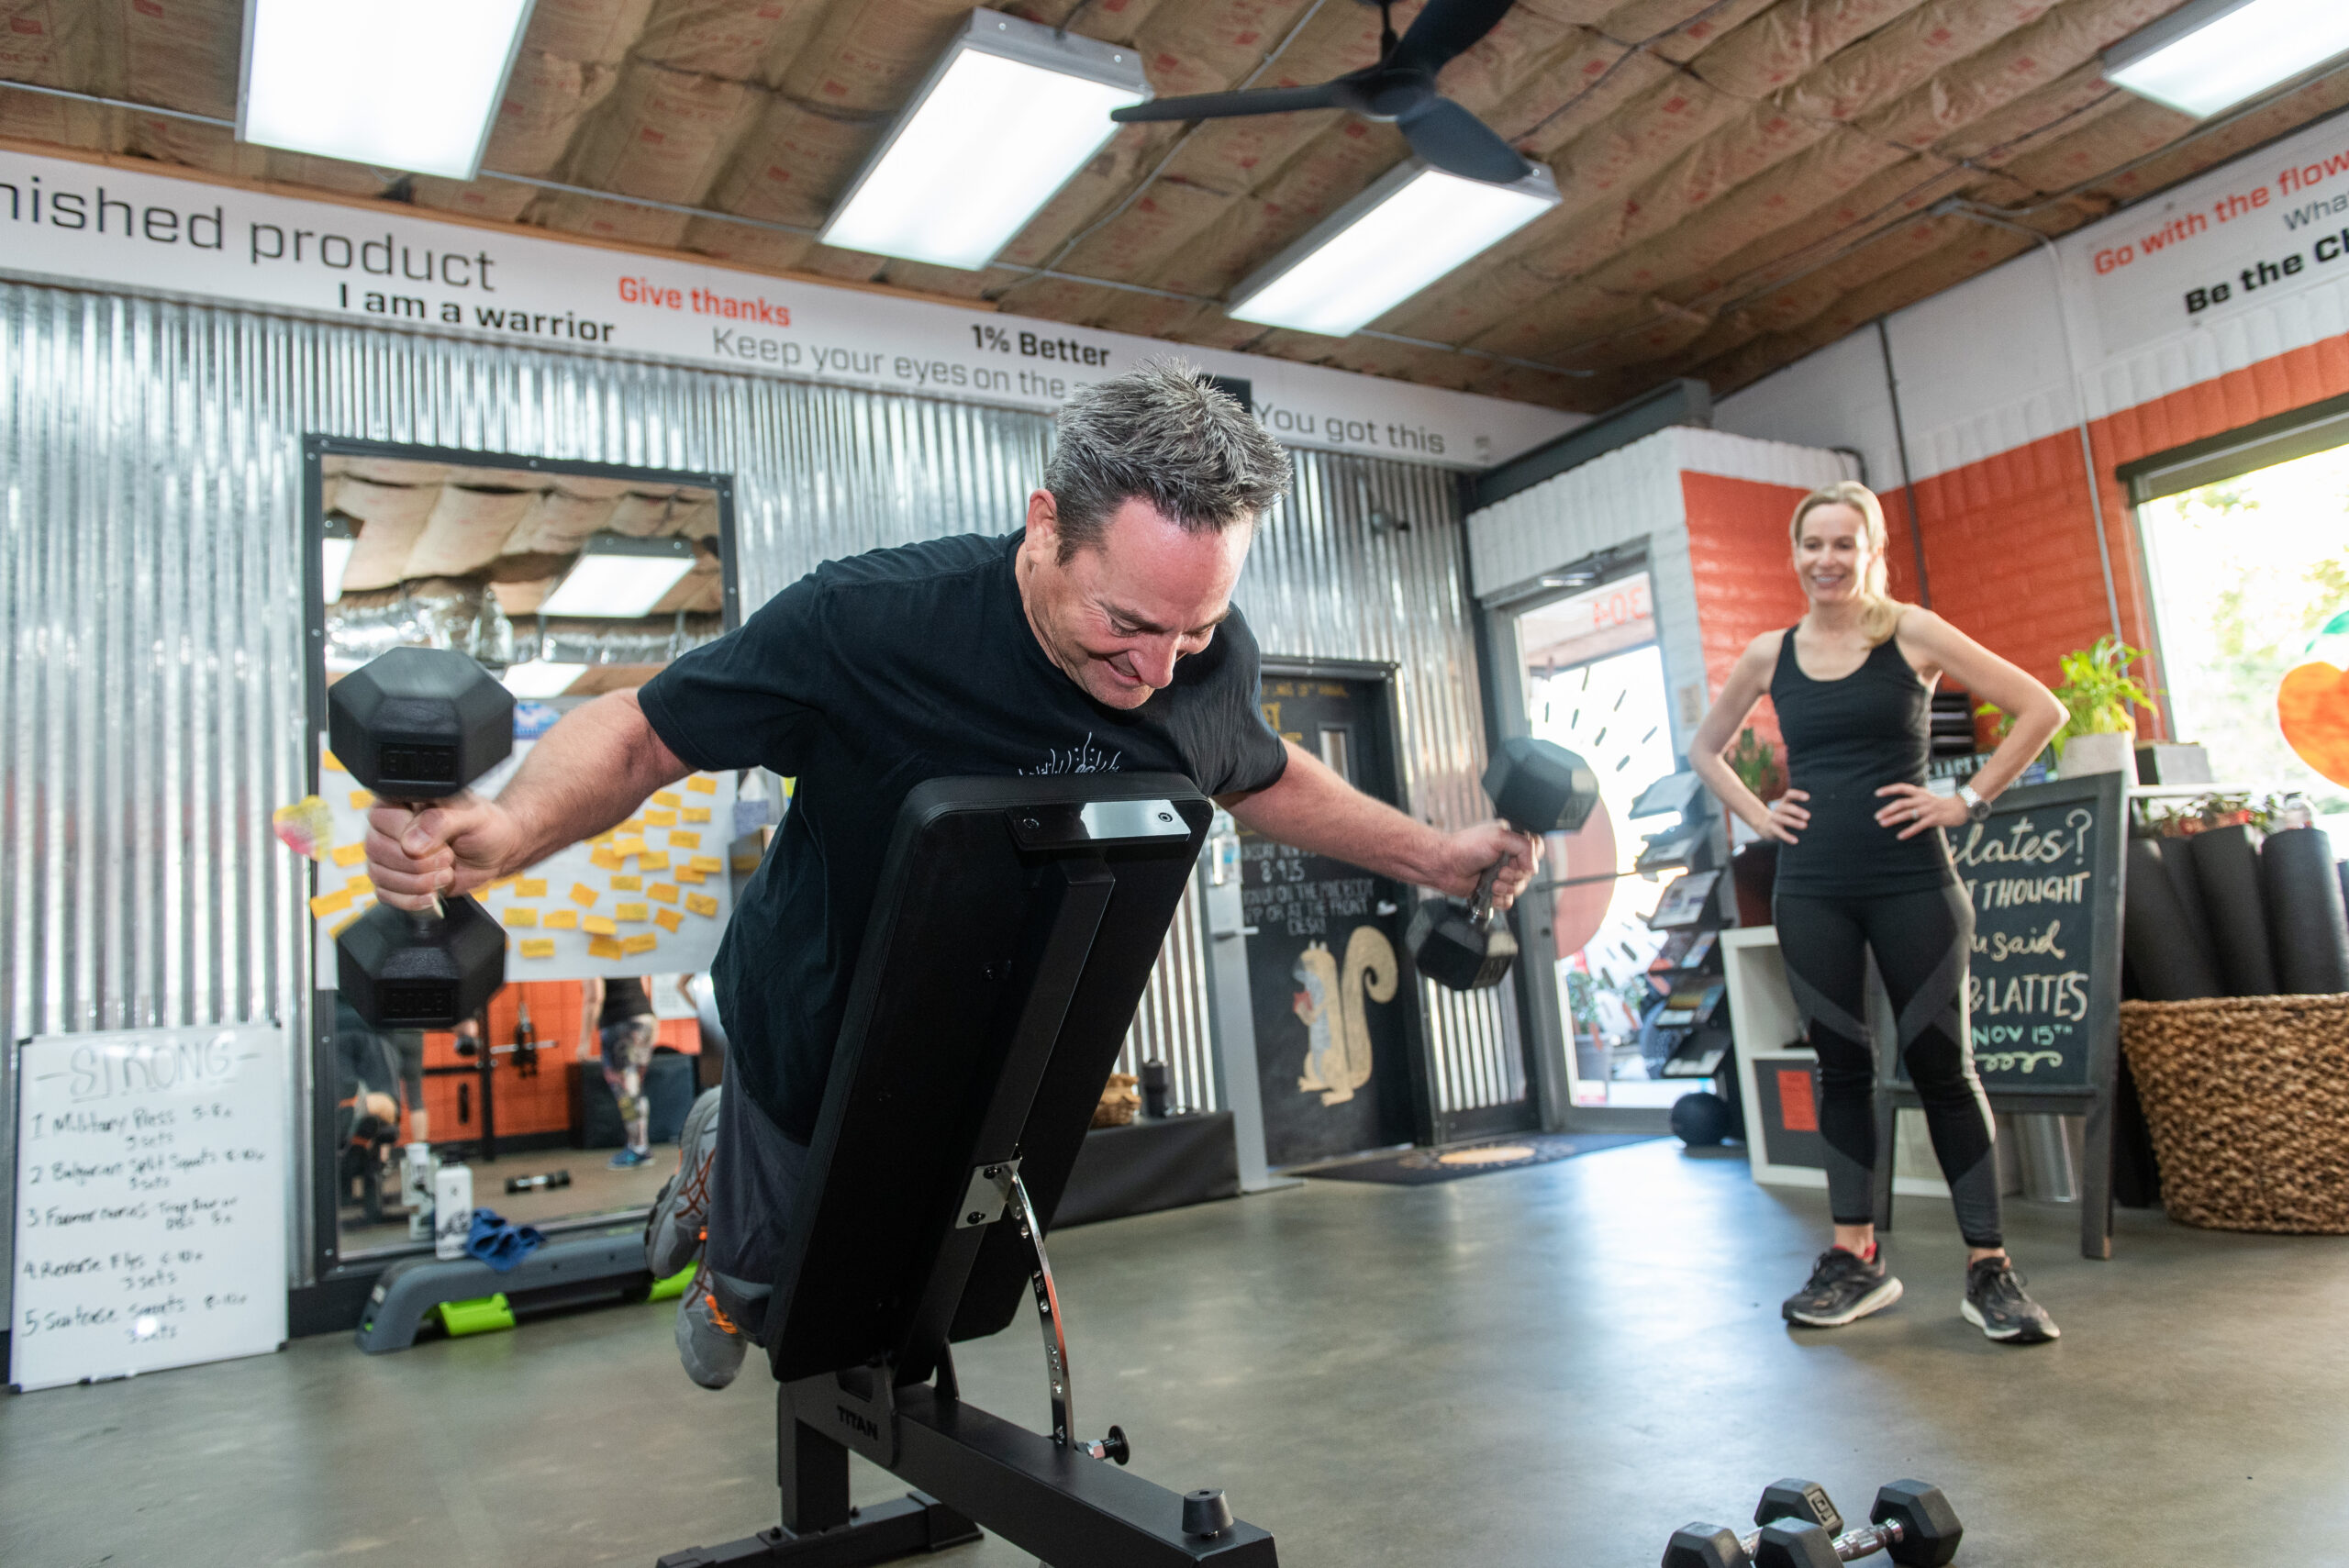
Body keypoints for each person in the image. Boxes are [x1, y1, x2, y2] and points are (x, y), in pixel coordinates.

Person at [362, 361, 1541, 1387]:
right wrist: (507, 832)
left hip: (991, 1040)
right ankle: (724, 1200)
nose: (1157, 665)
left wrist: (1439, 855)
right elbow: (645, 731)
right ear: (1043, 525)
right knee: (769, 1314)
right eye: (1127, 621)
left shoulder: (1197, 658)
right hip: (809, 1022)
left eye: (1191, 630)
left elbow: (1264, 772)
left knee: (924, 1294)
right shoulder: (870, 625)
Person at [1689, 480, 2067, 1345]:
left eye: (1844, 544)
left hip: (1913, 883)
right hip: (1812, 885)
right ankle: (1854, 1258)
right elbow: (1705, 749)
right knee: (1840, 1067)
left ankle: (1988, 1269)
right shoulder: (1767, 654)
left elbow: (2041, 709)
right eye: (1813, 544)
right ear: (1794, 554)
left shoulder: (1912, 632)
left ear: (1872, 553)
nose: (1828, 559)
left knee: (1943, 1064)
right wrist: (1758, 813)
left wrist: (1965, 798)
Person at [584, 975, 659, 1168]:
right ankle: (640, 1146)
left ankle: (638, 1149)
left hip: (620, 1023)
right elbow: (644, 984)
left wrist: (583, 1041)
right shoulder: (624, 951)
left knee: (626, 1090)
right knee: (636, 1088)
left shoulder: (592, 956)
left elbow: (595, 997)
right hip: (645, 1019)